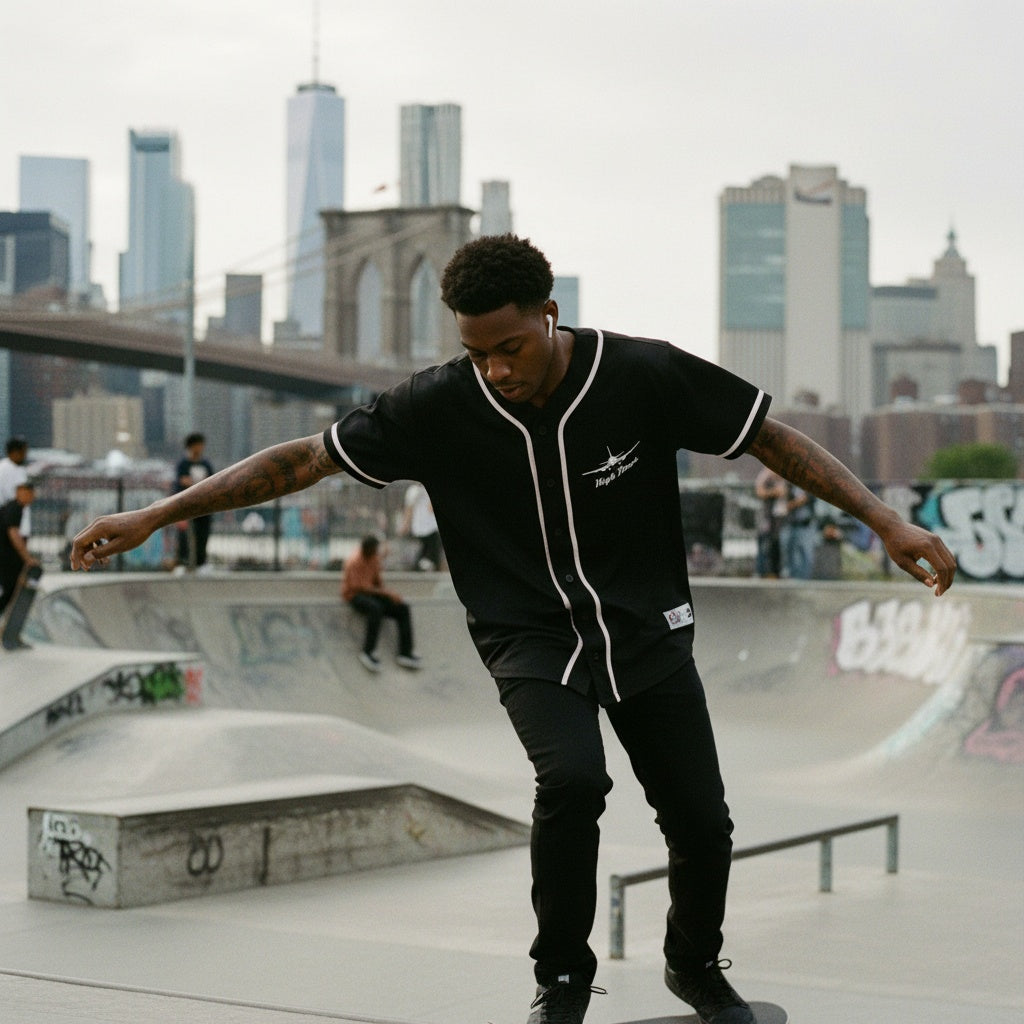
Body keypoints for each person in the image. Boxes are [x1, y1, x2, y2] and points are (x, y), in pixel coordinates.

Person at [69, 234, 956, 1024]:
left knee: (702, 822)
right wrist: (157, 514)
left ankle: (693, 964)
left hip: (646, 629)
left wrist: (886, 521)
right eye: (477, 353)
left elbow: (769, 438)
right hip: (526, 637)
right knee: (572, 781)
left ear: (549, 314)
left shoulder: (640, 373)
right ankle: (562, 979)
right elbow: (303, 459)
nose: (496, 370)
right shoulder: (435, 406)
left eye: (511, 347)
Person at [342, 534, 421, 672]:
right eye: (372, 552)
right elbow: (359, 586)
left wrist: (389, 597)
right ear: (366, 549)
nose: (374, 554)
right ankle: (368, 652)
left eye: (375, 552)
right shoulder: (354, 561)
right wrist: (387, 594)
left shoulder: (374, 559)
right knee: (375, 608)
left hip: (372, 593)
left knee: (403, 608)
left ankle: (405, 653)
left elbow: (378, 584)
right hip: (355, 595)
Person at [0, 480, 40, 630]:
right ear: (19, 493)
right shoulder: (14, 508)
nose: (31, 497)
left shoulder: (14, 508)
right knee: (10, 589)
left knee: (11, 590)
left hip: (7, 557)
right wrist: (27, 558)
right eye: (28, 494)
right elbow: (13, 533)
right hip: (7, 558)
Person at [174, 433, 215, 571]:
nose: (200, 448)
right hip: (187, 507)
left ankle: (201, 563)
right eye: (198, 445)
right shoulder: (183, 464)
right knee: (185, 536)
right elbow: (180, 482)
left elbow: (212, 482)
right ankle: (183, 563)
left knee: (203, 535)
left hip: (204, 507)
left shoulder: (206, 464)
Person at [401, 482, 444, 570]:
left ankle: (423, 566)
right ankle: (419, 567)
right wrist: (405, 524)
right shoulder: (413, 491)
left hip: (430, 526)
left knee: (429, 550)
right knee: (429, 550)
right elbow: (409, 509)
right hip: (422, 527)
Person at [753, 466, 787, 578]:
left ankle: (777, 572)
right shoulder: (766, 475)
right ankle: (762, 572)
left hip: (780, 519)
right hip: (768, 517)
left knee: (777, 545)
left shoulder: (784, 475)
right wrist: (774, 492)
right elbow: (759, 491)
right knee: (765, 544)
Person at [0, 437, 31, 541]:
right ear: (15, 452)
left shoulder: (19, 468)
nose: (25, 455)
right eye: (23, 452)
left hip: (19, 523)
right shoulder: (4, 469)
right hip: (9, 524)